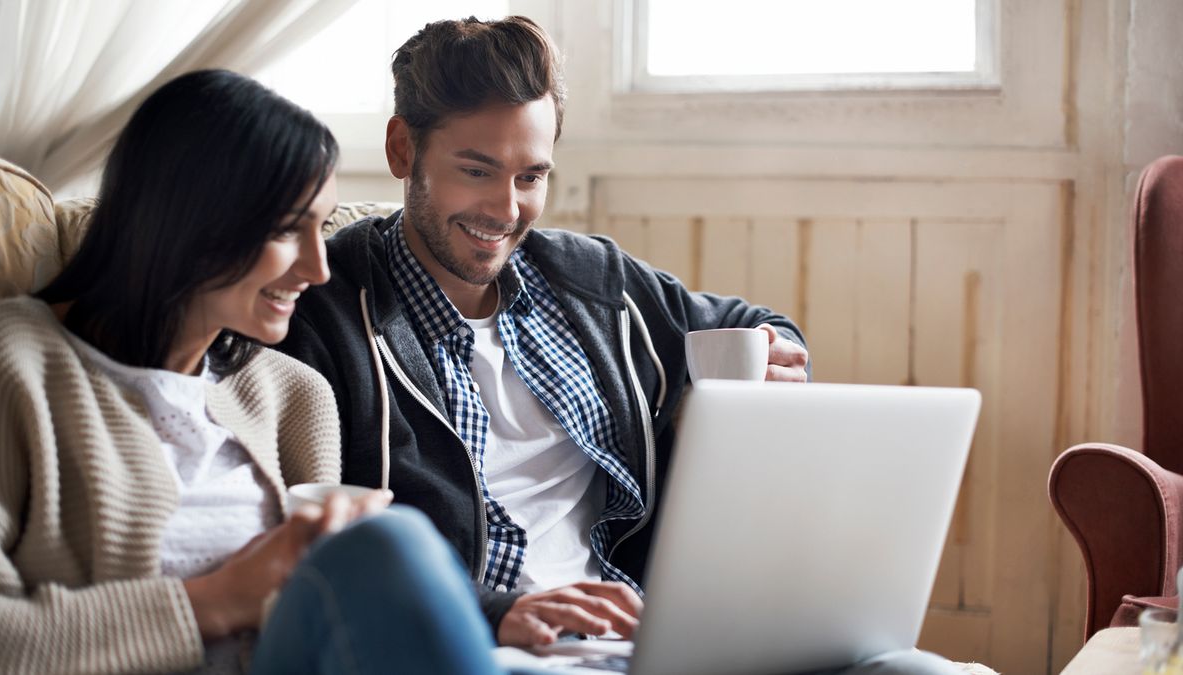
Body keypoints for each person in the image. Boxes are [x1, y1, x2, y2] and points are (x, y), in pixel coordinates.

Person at [275, 15, 959, 674]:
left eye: (531, 176)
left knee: (923, 670)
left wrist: (776, 355)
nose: (507, 210)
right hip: (489, 649)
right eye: (477, 171)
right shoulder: (327, 314)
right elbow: (323, 554)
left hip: (652, 641)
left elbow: (747, 319)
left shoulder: (589, 281)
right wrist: (493, 610)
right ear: (403, 149)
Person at [0, 69, 565, 675]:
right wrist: (222, 597)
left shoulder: (292, 394)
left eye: (322, 226)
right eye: (290, 230)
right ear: (189, 217)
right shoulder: (12, 363)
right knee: (397, 540)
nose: (317, 269)